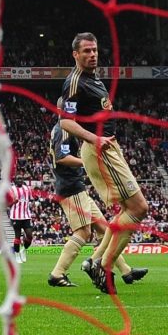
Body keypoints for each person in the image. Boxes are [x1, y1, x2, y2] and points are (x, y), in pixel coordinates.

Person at [60, 32, 149, 294]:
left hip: (107, 147)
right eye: (86, 51)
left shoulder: (93, 78)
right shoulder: (75, 82)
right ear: (75, 54)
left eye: (95, 50)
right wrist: (94, 139)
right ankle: (103, 264)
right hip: (98, 148)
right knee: (138, 208)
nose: (92, 54)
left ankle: (96, 261)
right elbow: (65, 121)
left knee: (127, 209)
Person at [48, 108, 149, 288]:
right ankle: (57, 274)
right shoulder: (63, 130)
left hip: (76, 187)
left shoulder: (64, 129)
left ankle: (126, 271)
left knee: (106, 228)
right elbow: (61, 157)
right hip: (71, 188)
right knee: (83, 233)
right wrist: (86, 162)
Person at [6, 177, 34, 263]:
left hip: (26, 216)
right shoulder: (11, 190)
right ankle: (17, 255)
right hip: (15, 216)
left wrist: (32, 204)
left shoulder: (27, 188)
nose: (20, 180)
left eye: (21, 179)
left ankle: (23, 250)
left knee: (29, 235)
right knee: (17, 237)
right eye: (18, 179)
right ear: (15, 181)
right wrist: (13, 202)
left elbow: (31, 199)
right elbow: (7, 204)